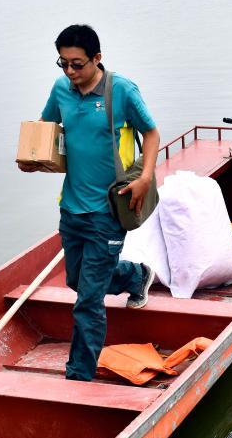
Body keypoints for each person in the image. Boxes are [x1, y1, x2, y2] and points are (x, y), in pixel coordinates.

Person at [19, 24, 160, 382]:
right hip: (71, 207)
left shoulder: (121, 90)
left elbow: (151, 132)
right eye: (63, 63)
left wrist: (145, 177)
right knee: (76, 281)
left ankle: (79, 375)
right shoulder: (61, 90)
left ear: (97, 59)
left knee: (88, 301)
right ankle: (135, 274)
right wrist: (33, 159)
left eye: (77, 64)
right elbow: (47, 131)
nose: (70, 72)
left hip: (109, 209)